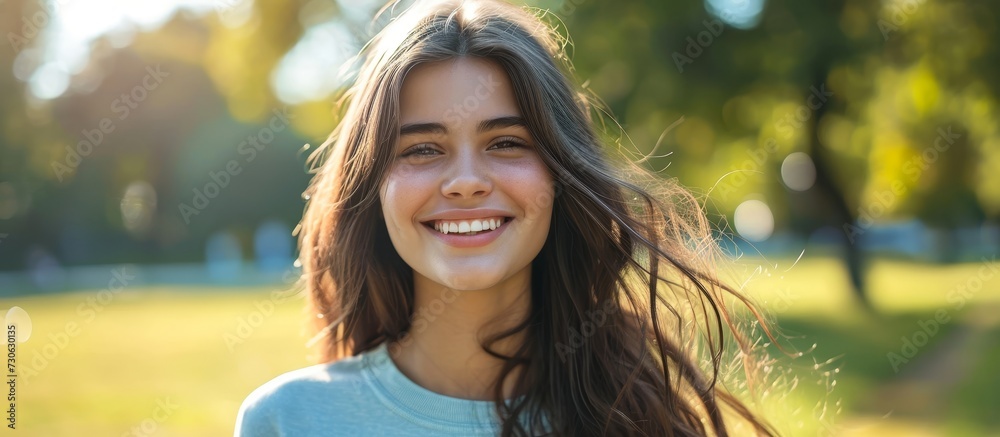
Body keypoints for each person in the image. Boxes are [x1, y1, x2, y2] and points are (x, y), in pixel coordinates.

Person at [236, 0, 777, 435]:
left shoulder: (639, 418)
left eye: (506, 142)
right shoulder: (289, 420)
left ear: (562, 176)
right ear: (371, 186)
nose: (466, 180)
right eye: (422, 149)